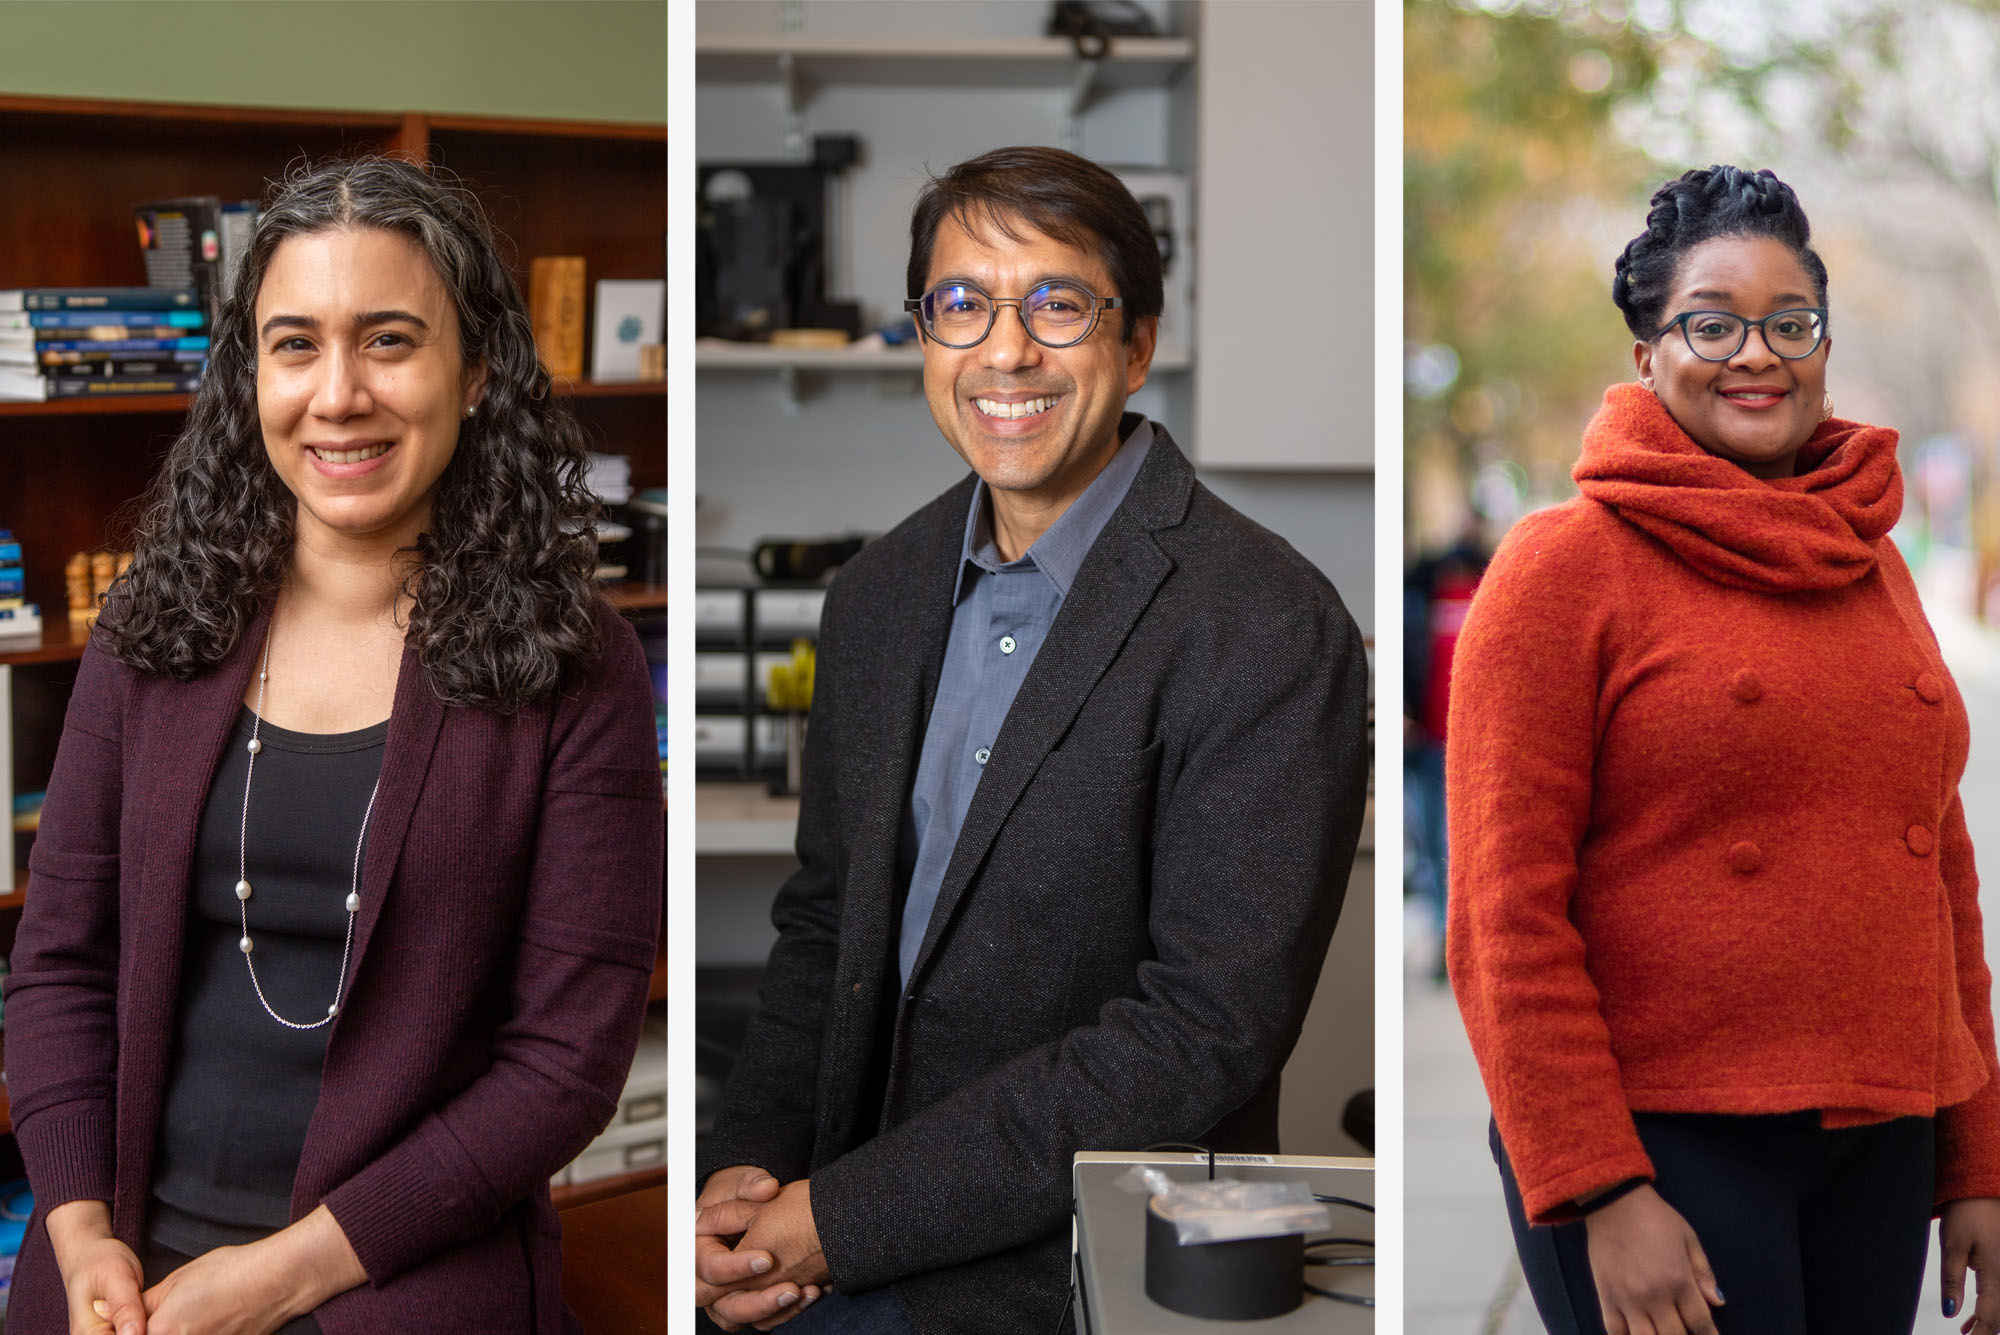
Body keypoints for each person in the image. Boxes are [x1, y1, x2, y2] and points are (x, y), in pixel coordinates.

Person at [691, 145, 1370, 1334]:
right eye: (960, 306)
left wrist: (839, 1221)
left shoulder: (1267, 621)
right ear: (921, 338)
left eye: (1057, 304)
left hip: (1068, 1268)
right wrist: (738, 1182)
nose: (1005, 352)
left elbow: (1202, 1030)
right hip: (822, 1229)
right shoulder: (877, 592)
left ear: (1137, 342)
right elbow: (823, 925)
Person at [0, 157, 663, 1335]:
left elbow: (563, 1061)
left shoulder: (576, 665)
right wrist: (78, 1227)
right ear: (250, 373)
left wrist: (286, 1275)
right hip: (118, 1261)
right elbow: (59, 964)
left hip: (400, 1267)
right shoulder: (152, 625)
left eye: (391, 340)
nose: (338, 393)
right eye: (295, 344)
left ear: (476, 372)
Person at [1447, 163, 2000, 1335]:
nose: (1756, 354)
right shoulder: (1560, 568)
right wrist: (1600, 1187)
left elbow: (1939, 880)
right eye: (1710, 323)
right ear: (1646, 352)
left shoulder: (1869, 558)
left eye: (1789, 323)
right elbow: (1502, 919)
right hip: (1657, 1141)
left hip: (1877, 1133)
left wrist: (1975, 1159)